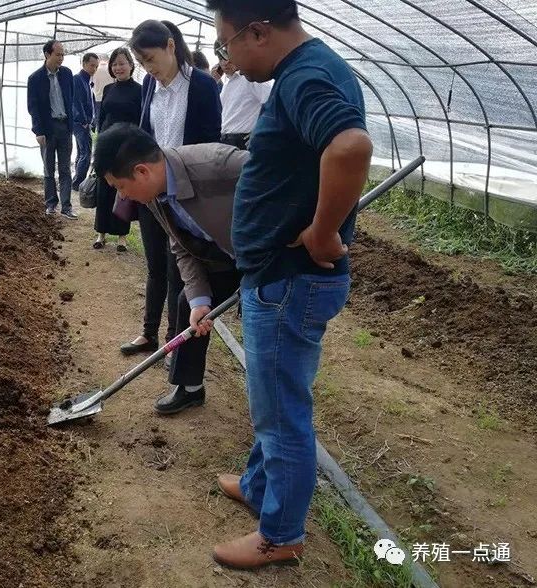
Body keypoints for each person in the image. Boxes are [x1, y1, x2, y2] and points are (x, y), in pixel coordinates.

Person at [206, 0, 373, 569]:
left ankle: (281, 535)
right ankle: (258, 486)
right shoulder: (302, 71)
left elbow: (350, 147)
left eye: (227, 43)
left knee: (281, 414)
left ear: (257, 30)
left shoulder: (307, 75)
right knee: (271, 399)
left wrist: (324, 231)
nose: (225, 58)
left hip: (290, 278)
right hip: (277, 274)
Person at [94, 124, 246, 414]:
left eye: (120, 187)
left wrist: (312, 234)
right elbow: (180, 246)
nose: (122, 197)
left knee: (260, 323)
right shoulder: (153, 194)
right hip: (222, 253)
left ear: (141, 171)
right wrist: (200, 299)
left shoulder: (219, 164)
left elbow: (287, 180)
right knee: (188, 302)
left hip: (268, 255)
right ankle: (190, 388)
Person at [120, 19, 221, 366]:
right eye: (142, 63)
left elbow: (209, 145)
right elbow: (146, 133)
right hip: (153, 193)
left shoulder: (203, 86)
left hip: (185, 194)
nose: (148, 68)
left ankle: (172, 341)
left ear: (170, 46)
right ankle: (148, 332)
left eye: (150, 59)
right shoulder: (150, 85)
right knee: (154, 266)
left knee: (180, 269)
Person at [93, 48, 141, 252]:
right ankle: (101, 233)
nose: (118, 67)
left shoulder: (140, 90)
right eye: (114, 64)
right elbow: (102, 117)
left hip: (127, 147)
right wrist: (99, 142)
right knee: (104, 190)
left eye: (122, 63)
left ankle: (122, 236)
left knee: (123, 190)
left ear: (131, 64)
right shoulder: (108, 90)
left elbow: (141, 121)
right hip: (106, 145)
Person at [26, 40, 78, 220]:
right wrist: (38, 131)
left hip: (65, 127)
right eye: (58, 54)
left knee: (65, 169)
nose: (61, 58)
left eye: (63, 54)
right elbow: (33, 107)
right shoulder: (35, 79)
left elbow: (71, 100)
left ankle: (67, 207)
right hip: (47, 130)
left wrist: (72, 124)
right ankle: (50, 204)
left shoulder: (67, 74)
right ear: (47, 55)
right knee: (48, 169)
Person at [215, 40, 272, 150]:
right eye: (221, 59)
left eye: (227, 57)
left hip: (242, 142)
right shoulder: (228, 84)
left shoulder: (251, 78)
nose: (225, 63)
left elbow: (272, 103)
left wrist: (258, 132)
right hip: (225, 141)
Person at [72, 53, 99, 192]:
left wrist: (92, 121)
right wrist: (83, 120)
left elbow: (90, 103)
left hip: (83, 122)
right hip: (79, 122)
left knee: (81, 152)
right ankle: (78, 183)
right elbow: (77, 101)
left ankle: (76, 181)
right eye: (91, 65)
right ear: (84, 64)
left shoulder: (87, 81)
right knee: (86, 153)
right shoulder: (77, 79)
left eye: (96, 66)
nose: (94, 68)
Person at [92, 53, 115, 121]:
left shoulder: (95, 70)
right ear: (108, 60)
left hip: (97, 98)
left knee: (99, 120)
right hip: (110, 97)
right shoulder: (111, 69)